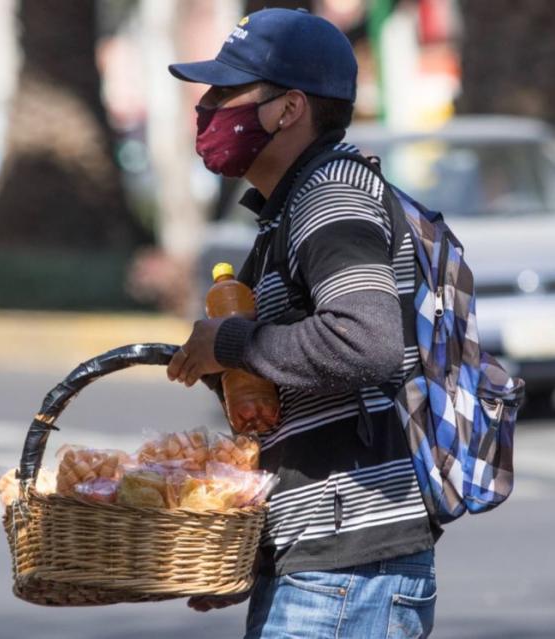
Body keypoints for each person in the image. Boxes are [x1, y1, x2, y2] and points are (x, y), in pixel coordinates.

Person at [165, 8, 438, 638]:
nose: (208, 108)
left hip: (347, 570)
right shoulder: (289, 210)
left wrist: (230, 343)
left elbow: (366, 342)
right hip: (321, 563)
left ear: (289, 109)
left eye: (228, 92)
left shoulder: (331, 197)